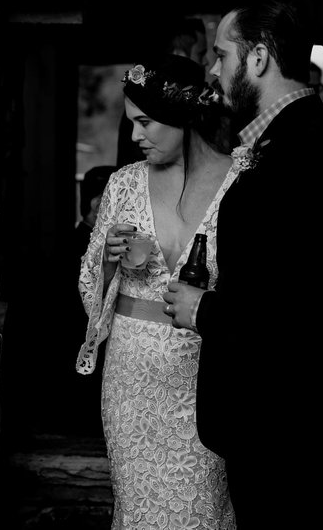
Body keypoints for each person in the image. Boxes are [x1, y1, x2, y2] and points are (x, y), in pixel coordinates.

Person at [163, 0, 323, 529]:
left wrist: (203, 309)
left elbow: (299, 306)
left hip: (291, 426)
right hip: (281, 419)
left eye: (221, 55)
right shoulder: (287, 139)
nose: (213, 69)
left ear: (258, 58)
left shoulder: (310, 150)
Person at [77, 55, 239, 529]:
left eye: (145, 121)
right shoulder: (123, 184)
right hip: (132, 379)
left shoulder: (241, 183)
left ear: (184, 114)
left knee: (204, 507)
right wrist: (106, 259)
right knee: (138, 508)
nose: (134, 136)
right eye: (131, 123)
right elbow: (90, 285)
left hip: (207, 377)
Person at [117, 17, 209, 167]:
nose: (207, 62)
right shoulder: (139, 110)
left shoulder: (206, 109)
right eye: (200, 53)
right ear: (180, 54)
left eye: (144, 122)